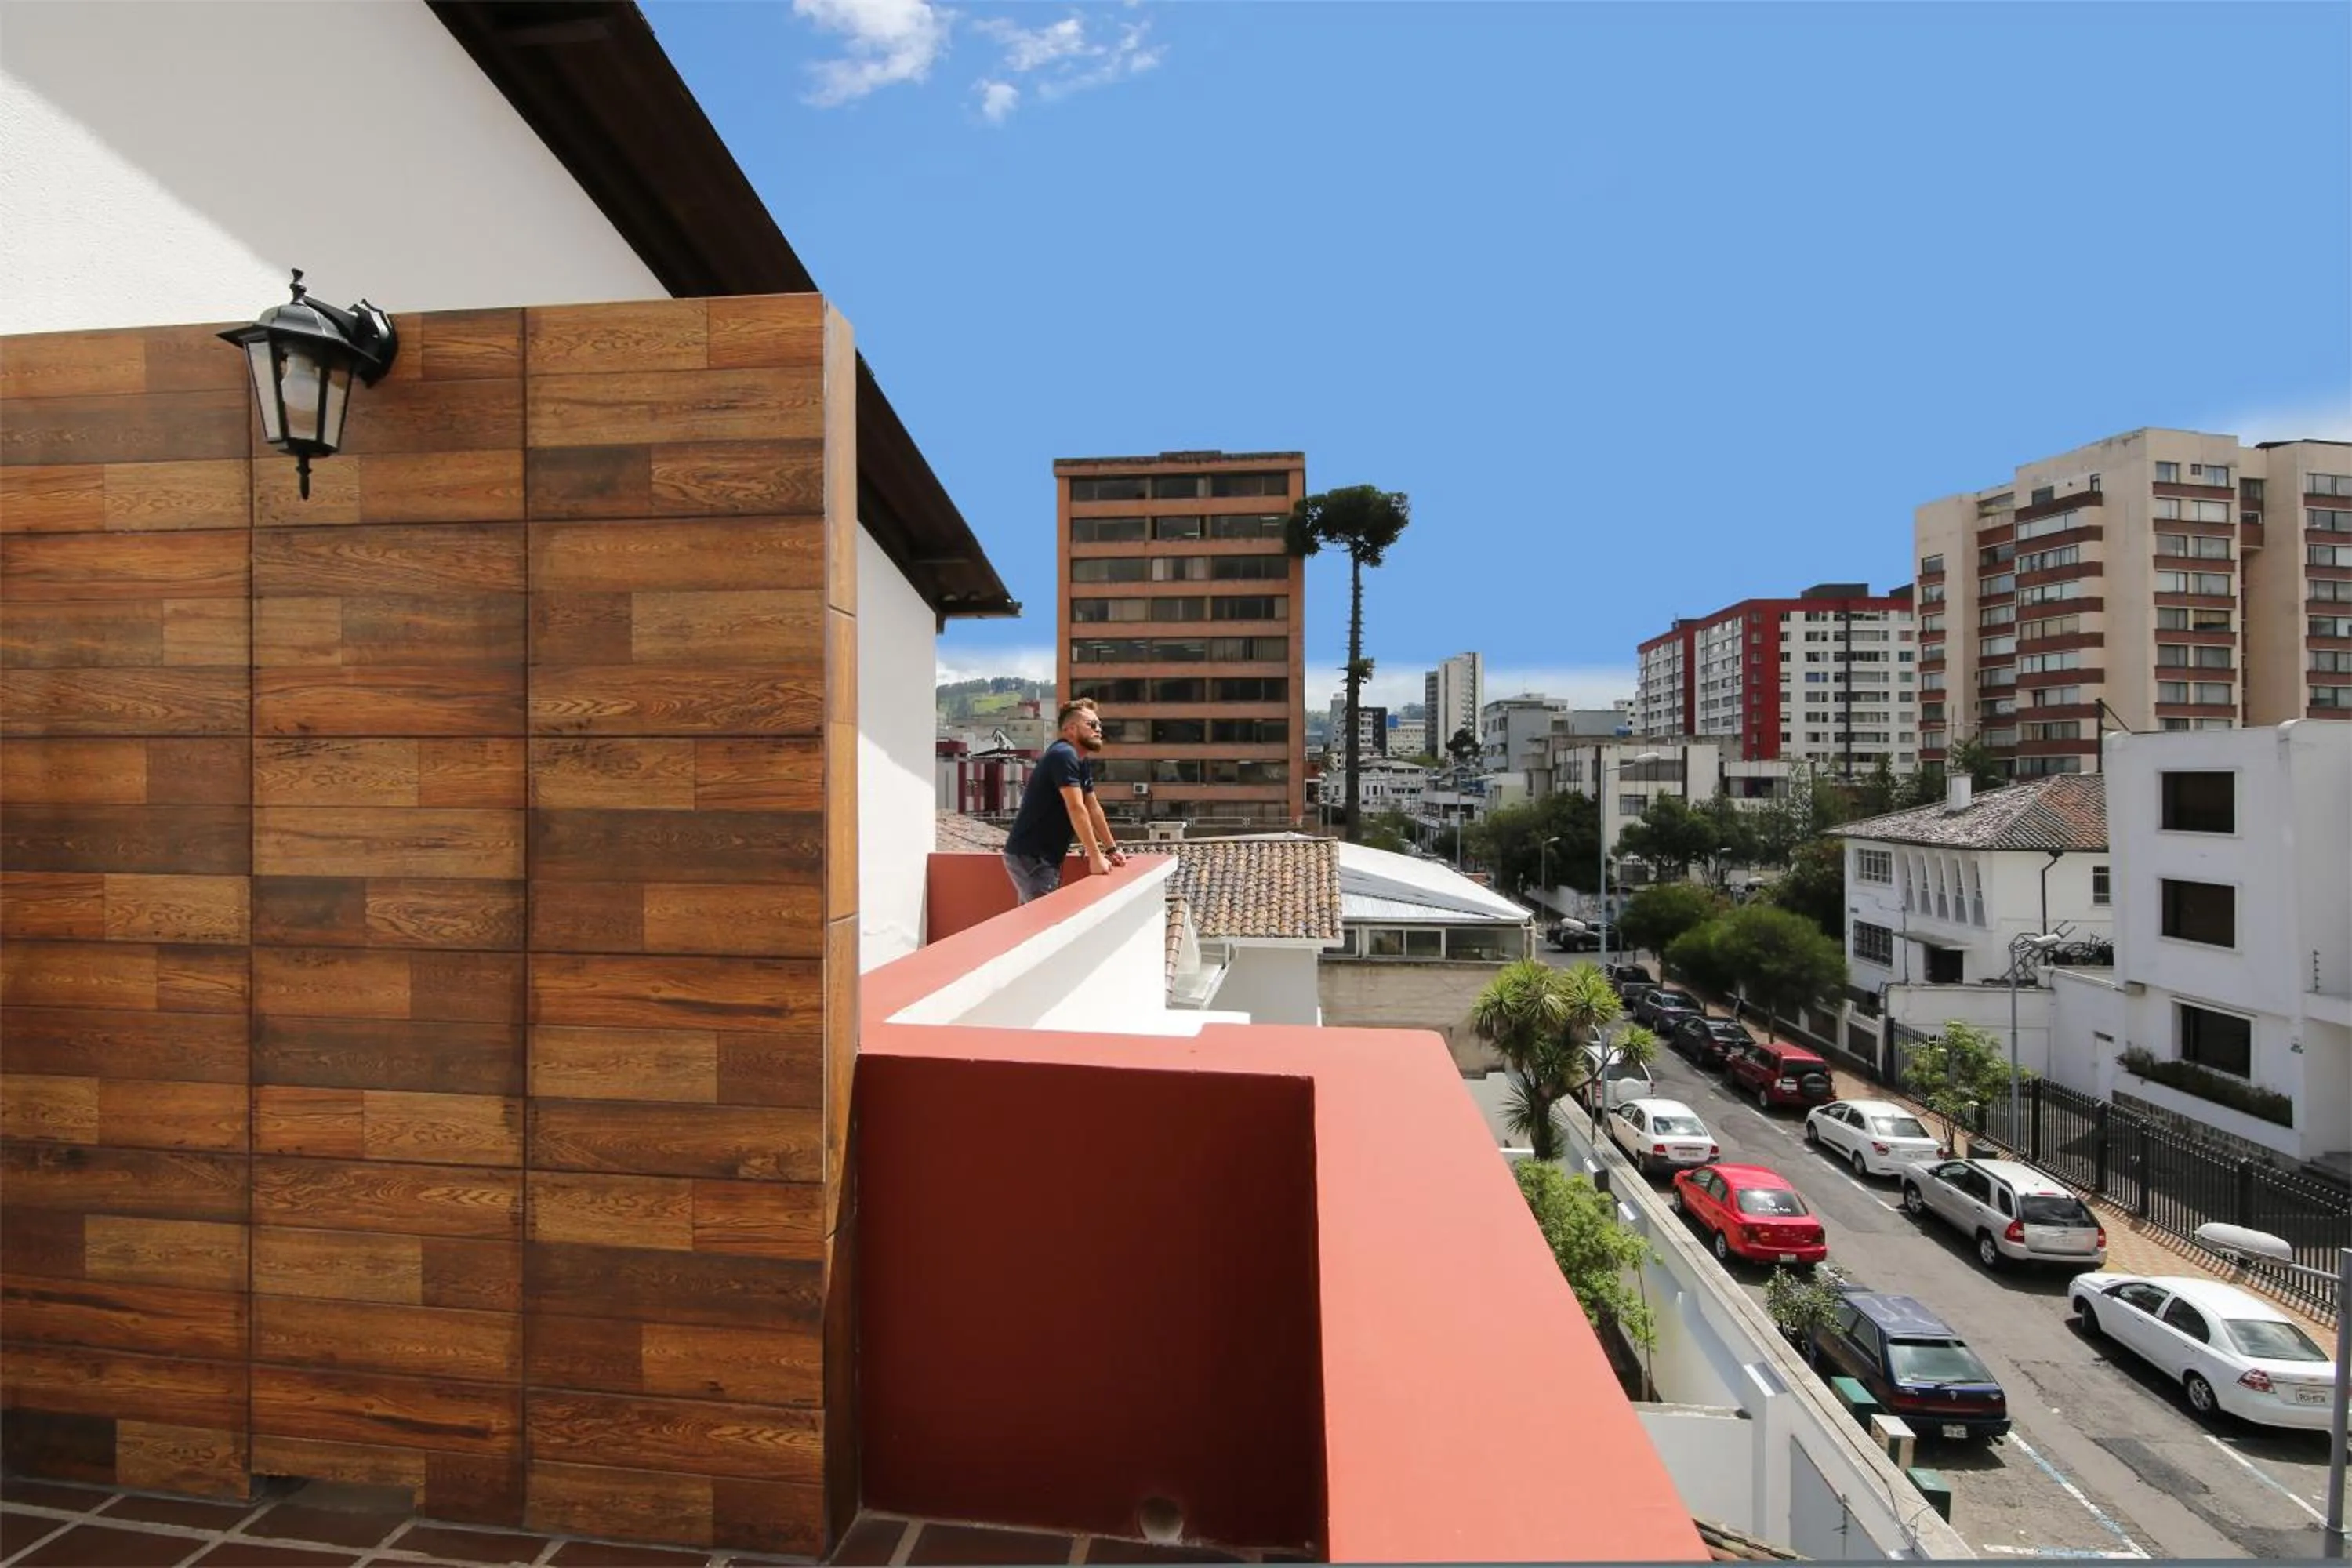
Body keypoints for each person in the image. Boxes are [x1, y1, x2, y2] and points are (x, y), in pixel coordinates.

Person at [1002, 700, 1125, 904]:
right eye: (1092, 725)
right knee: (1042, 923)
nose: (1098, 730)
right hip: (1033, 857)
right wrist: (1095, 857)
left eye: (1099, 725)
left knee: (1037, 921)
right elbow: (1076, 807)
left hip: (1041, 857)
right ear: (1070, 729)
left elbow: (1093, 808)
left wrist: (1111, 849)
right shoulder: (1063, 755)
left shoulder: (1079, 759)